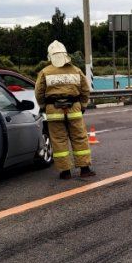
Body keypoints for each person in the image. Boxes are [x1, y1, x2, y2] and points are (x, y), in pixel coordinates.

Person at [35, 40, 96, 179]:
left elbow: (39, 92)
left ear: (50, 56)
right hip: (74, 109)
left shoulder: (45, 72)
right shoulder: (76, 70)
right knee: (79, 138)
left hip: (53, 111)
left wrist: (44, 106)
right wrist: (83, 106)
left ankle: (65, 172)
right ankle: (85, 169)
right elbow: (85, 90)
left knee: (58, 140)